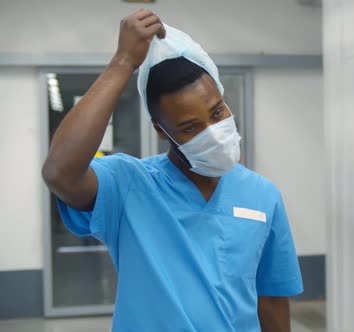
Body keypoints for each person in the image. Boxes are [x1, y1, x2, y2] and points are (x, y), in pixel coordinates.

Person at [42, 9, 303, 332]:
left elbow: (272, 300)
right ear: (161, 131)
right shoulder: (129, 186)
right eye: (191, 127)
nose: (213, 130)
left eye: (217, 111)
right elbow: (60, 172)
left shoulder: (263, 195)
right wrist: (123, 62)